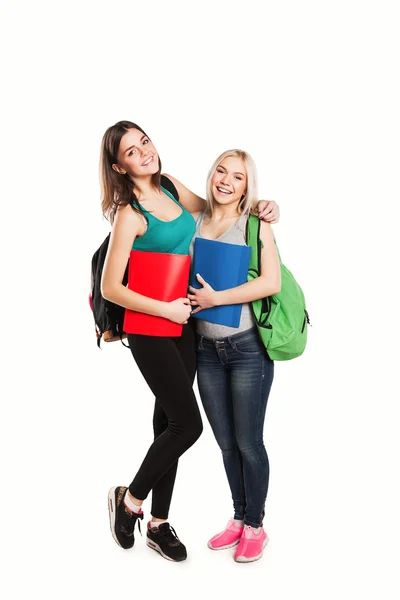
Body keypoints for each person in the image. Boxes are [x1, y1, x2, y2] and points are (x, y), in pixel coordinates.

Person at [100, 121, 280, 562]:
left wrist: (262, 204)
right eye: (130, 152)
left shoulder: (172, 188)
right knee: (189, 425)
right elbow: (110, 288)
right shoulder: (129, 213)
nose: (143, 152)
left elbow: (223, 209)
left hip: (186, 327)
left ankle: (159, 525)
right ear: (119, 167)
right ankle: (130, 500)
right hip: (152, 327)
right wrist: (166, 310)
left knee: (168, 427)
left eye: (144, 141)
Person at [188, 149, 281, 563]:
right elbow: (165, 184)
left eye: (238, 177)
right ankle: (238, 517)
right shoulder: (194, 220)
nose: (226, 181)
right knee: (226, 443)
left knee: (248, 442)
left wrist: (217, 298)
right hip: (206, 350)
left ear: (248, 186)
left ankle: (256, 526)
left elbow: (270, 282)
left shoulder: (254, 223)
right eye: (221, 171)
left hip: (246, 350)